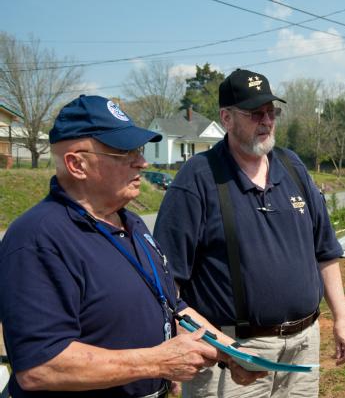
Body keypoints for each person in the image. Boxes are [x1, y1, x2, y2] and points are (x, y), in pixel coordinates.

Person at [0, 95, 263, 398]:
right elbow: (40, 366)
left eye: (137, 149)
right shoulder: (37, 239)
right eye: (122, 152)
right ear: (76, 164)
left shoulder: (133, 224)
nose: (142, 161)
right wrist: (156, 362)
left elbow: (174, 308)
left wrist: (231, 353)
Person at [154, 68, 345, 397]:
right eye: (254, 113)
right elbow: (167, 282)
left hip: (303, 344)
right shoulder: (199, 178)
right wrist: (183, 346)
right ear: (227, 118)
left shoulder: (292, 167)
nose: (266, 120)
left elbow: (326, 252)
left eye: (271, 111)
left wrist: (342, 321)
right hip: (231, 353)